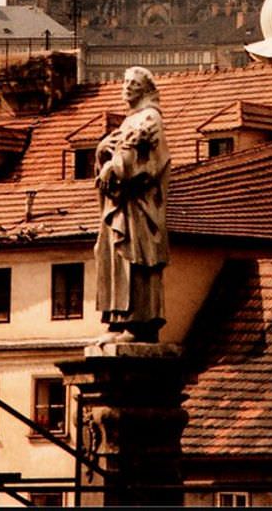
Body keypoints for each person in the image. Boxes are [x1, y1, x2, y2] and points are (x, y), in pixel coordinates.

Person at [94, 66, 170, 343]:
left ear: (146, 90)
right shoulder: (130, 121)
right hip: (121, 204)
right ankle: (117, 319)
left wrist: (113, 166)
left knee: (136, 258)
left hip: (139, 205)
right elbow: (114, 151)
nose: (127, 87)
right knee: (115, 256)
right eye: (125, 82)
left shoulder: (150, 118)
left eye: (134, 84)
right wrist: (103, 153)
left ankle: (138, 323)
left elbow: (139, 161)